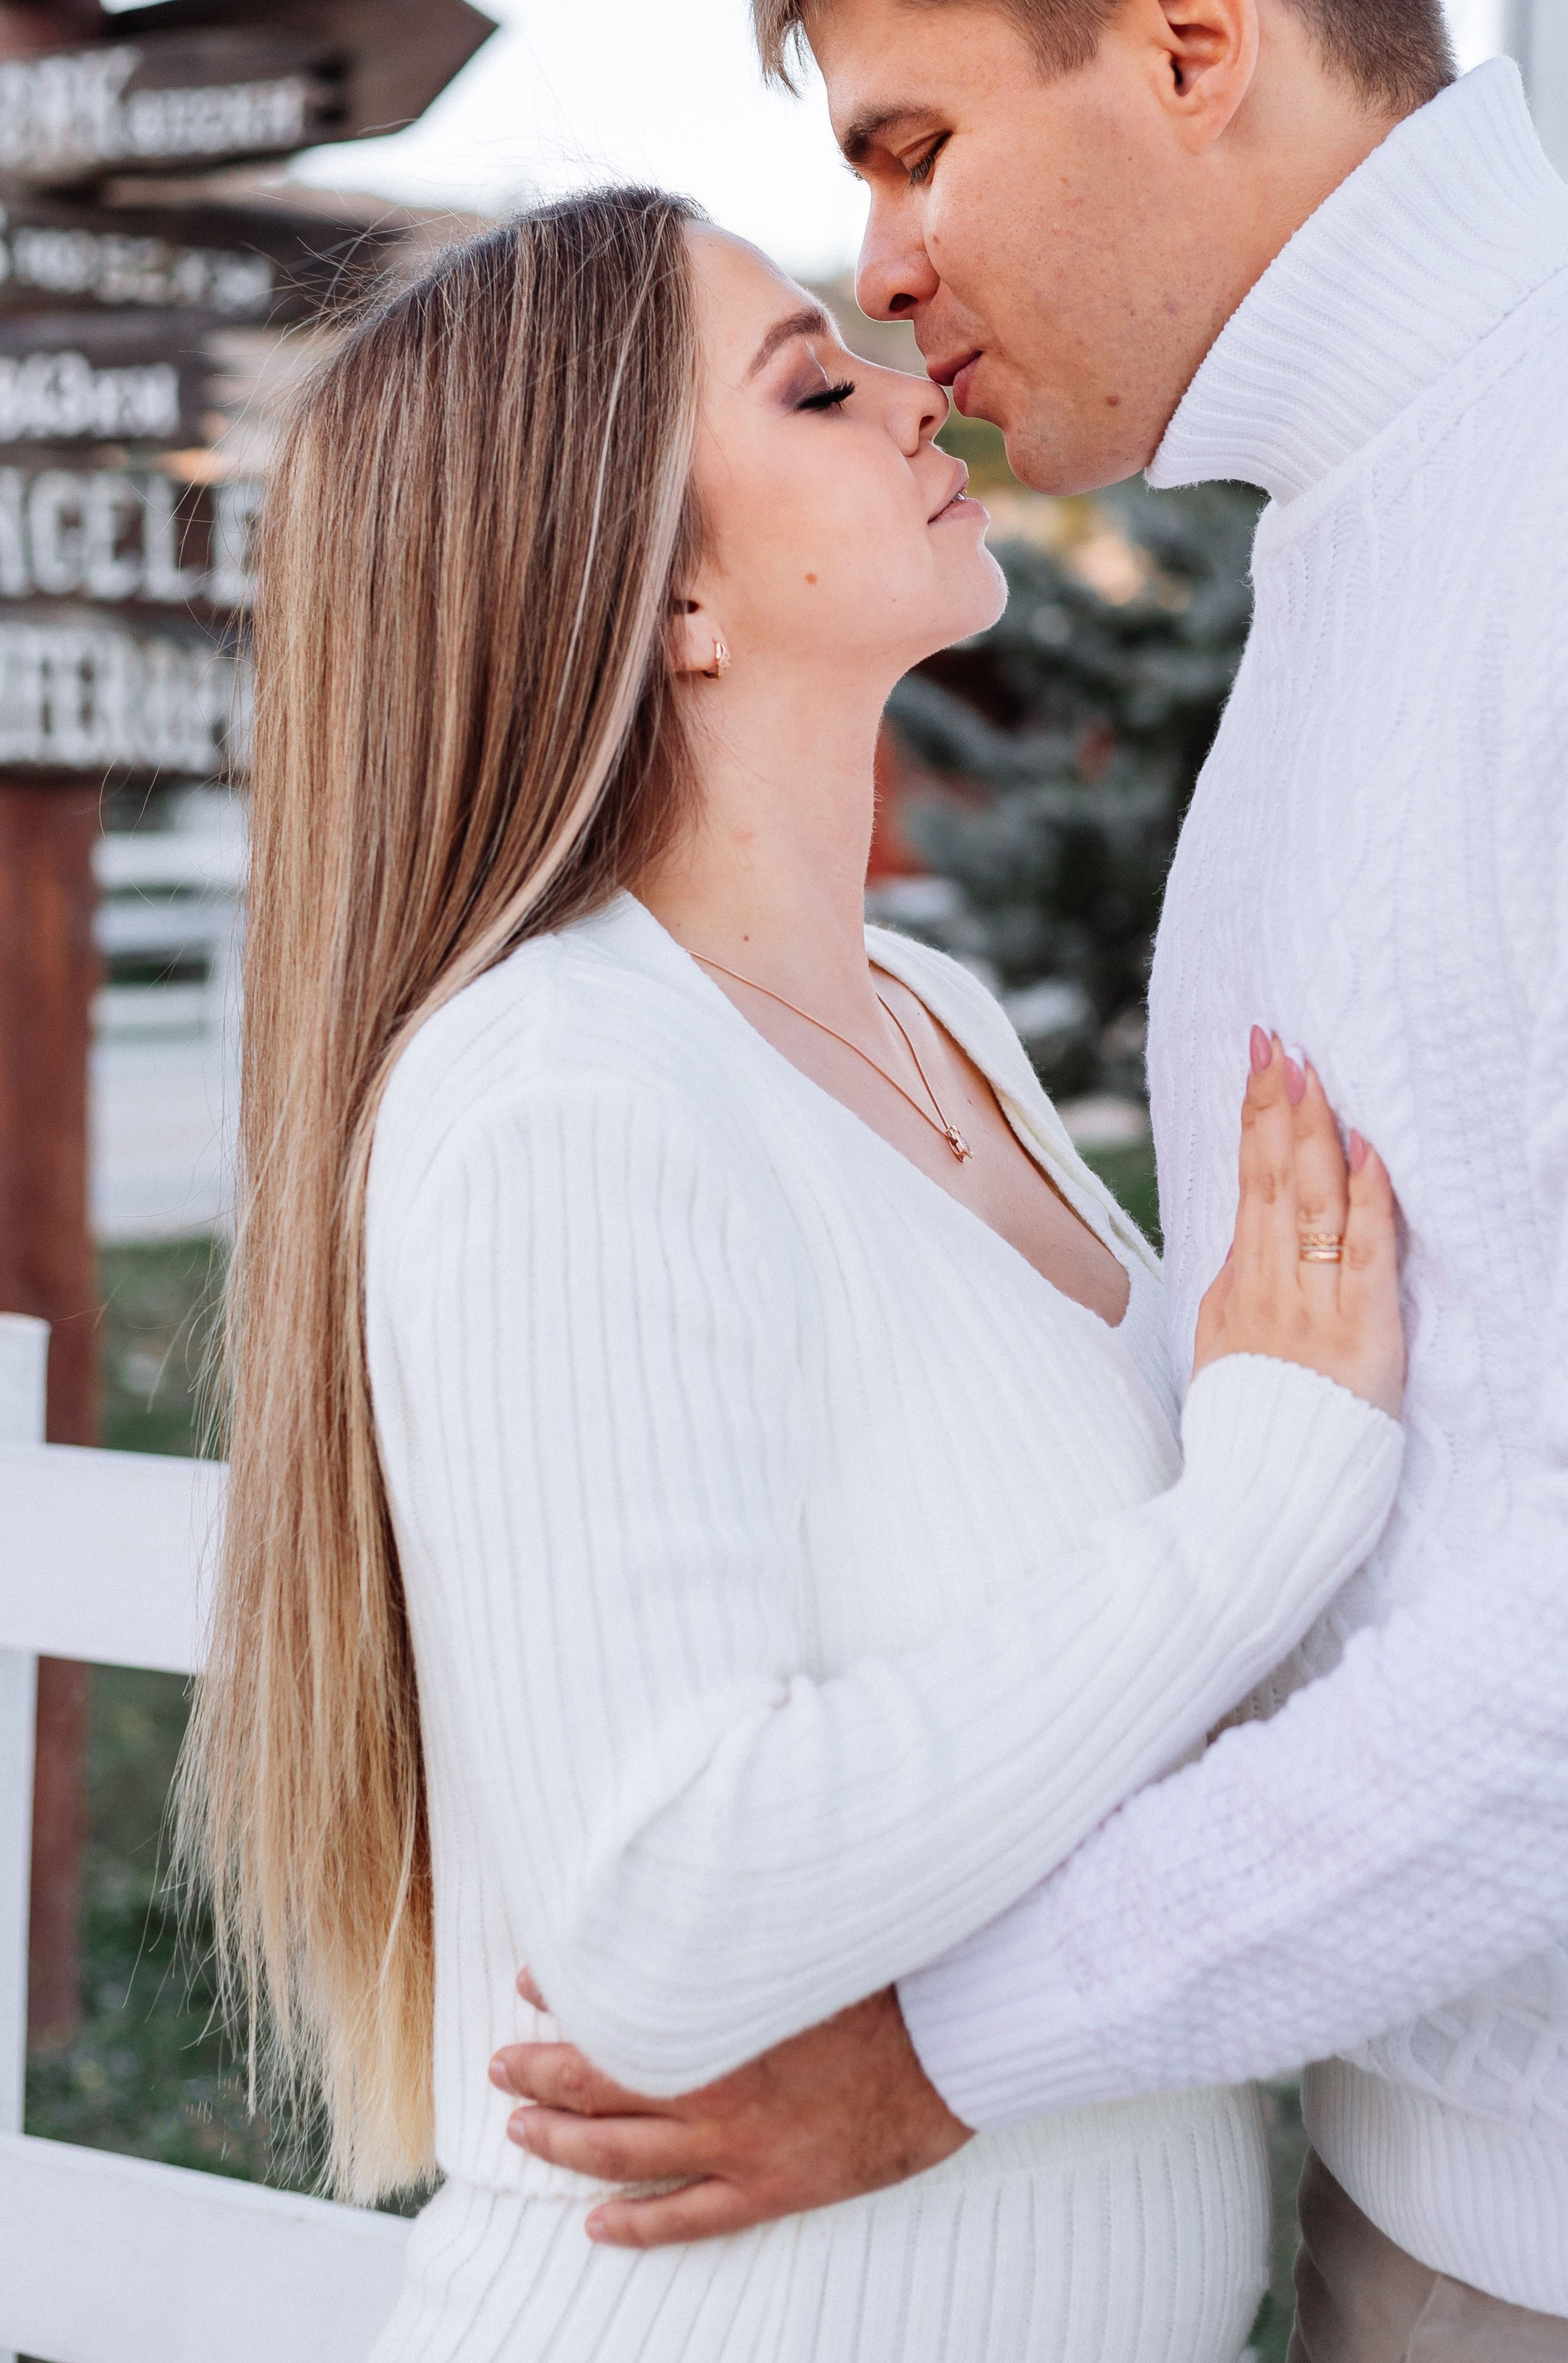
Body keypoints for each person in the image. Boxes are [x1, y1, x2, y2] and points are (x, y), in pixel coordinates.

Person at [494, 0, 1568, 2363]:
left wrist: (959, 2047)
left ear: (1194, 36)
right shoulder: (1362, 558)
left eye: (911, 146)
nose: (884, 276)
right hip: (1415, 2212)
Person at [179, 182, 1408, 2362]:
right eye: (816, 385)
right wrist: (1266, 1503)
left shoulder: (934, 1013)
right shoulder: (565, 1093)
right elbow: (670, 1913)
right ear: (667, 605)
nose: (917, 388)